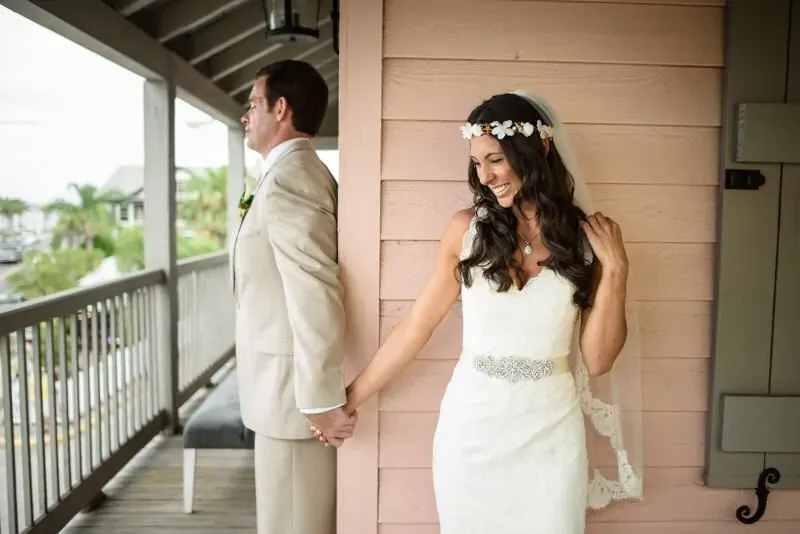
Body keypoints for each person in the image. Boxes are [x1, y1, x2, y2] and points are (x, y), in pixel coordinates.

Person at [315, 91, 644, 532]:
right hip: (471, 431)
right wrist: (348, 399)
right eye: (476, 163)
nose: (485, 175)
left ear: (538, 149)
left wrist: (618, 270)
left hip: (551, 433)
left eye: (495, 160)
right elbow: (416, 327)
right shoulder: (465, 230)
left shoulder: (585, 241)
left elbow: (599, 360)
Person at [232, 59, 355, 534]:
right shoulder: (286, 173)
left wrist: (320, 397)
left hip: (294, 399)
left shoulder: (292, 178)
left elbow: (313, 288)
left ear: (280, 109)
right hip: (282, 392)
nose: (246, 115)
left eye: (252, 104)